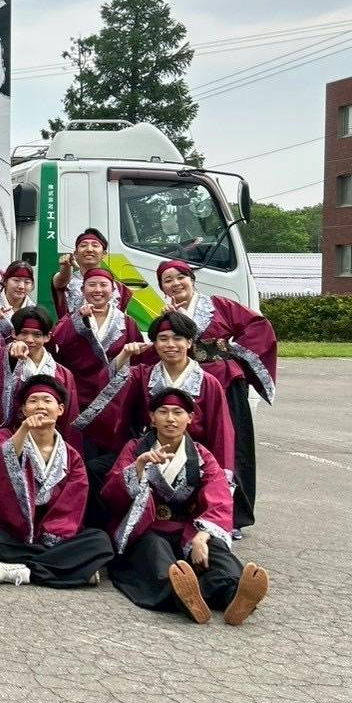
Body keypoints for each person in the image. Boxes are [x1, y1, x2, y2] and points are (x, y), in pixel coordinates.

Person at [101, 389, 269, 625]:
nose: (170, 419)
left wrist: (202, 536)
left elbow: (219, 496)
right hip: (148, 528)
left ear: (190, 418)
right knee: (157, 554)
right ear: (152, 417)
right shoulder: (135, 449)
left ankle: (235, 594)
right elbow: (110, 496)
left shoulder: (201, 455)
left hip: (188, 528)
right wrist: (138, 467)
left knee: (215, 550)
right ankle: (184, 594)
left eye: (178, 413)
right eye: (163, 412)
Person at [156, 259, 277, 531]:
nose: (175, 284)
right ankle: (197, 509)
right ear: (162, 288)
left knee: (234, 444)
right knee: (195, 445)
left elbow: (258, 326)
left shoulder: (219, 305)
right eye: (168, 280)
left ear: (192, 279)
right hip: (188, 385)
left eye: (180, 277)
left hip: (225, 382)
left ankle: (235, 515)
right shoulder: (166, 316)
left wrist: (234, 352)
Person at [75, 311, 236, 499]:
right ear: (155, 344)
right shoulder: (142, 375)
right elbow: (108, 387)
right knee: (95, 469)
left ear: (189, 343)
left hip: (192, 455)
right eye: (163, 339)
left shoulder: (208, 383)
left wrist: (222, 474)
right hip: (146, 450)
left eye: (177, 338)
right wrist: (125, 354)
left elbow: (221, 431)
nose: (170, 345)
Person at [0, 376, 114, 588]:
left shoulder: (71, 456)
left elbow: (72, 505)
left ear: (60, 409)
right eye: (33, 401)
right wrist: (23, 430)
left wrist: (50, 536)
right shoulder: (4, 436)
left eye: (47, 400)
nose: (40, 406)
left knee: (100, 541)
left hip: (57, 536)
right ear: (23, 410)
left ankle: (22, 572)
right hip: (14, 533)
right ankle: (71, 570)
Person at [0, 306, 81, 446]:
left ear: (48, 337)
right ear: (14, 333)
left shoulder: (63, 375)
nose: (29, 339)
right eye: (24, 333)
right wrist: (10, 355)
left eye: (37, 335)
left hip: (47, 439)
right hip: (10, 436)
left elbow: (69, 418)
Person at [49, 267, 142, 413]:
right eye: (92, 285)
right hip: (76, 394)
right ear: (82, 289)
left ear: (113, 290)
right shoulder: (71, 318)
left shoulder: (127, 323)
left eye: (104, 285)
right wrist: (79, 319)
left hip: (114, 396)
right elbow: (57, 344)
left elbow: (138, 361)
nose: (98, 290)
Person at [52, 229, 132, 318]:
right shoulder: (68, 282)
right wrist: (67, 266)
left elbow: (123, 320)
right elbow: (62, 280)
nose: (89, 249)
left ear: (104, 254)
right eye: (83, 245)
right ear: (75, 253)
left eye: (95, 245)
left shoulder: (118, 287)